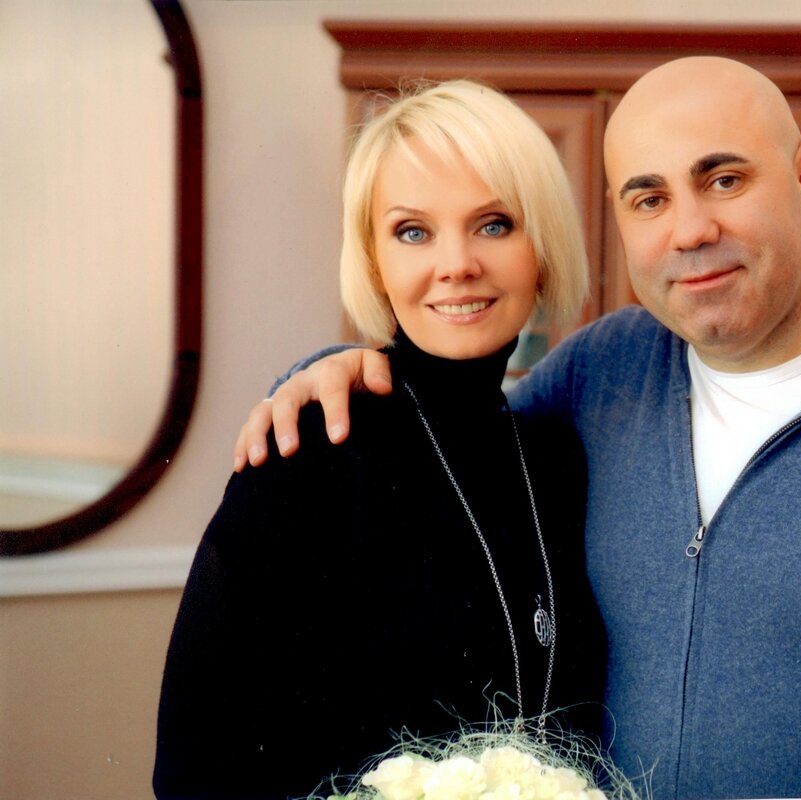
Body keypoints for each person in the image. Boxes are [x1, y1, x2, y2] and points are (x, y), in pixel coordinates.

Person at [233, 58, 801, 798]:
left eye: (724, 179)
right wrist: (343, 374)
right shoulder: (602, 375)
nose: (690, 229)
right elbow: (458, 442)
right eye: (649, 198)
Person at [154, 81, 606, 800]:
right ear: (373, 262)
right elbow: (194, 773)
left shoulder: (558, 459)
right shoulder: (308, 451)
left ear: (543, 247)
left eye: (493, 224)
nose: (456, 264)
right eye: (413, 232)